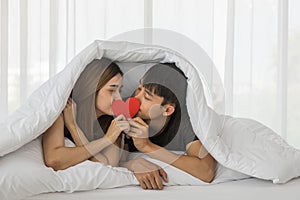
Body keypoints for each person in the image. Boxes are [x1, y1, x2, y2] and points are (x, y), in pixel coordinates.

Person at [121, 63, 216, 190]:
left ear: (167, 110)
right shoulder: (124, 109)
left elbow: (206, 172)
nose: (135, 98)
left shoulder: (184, 122)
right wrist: (132, 164)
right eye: (139, 88)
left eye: (147, 97)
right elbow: (106, 160)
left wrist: (147, 146)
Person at [42, 58, 130, 170]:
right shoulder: (62, 111)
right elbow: (54, 160)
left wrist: (74, 128)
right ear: (92, 88)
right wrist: (106, 140)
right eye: (112, 90)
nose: (119, 98)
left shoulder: (112, 123)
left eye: (120, 91)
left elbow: (108, 165)